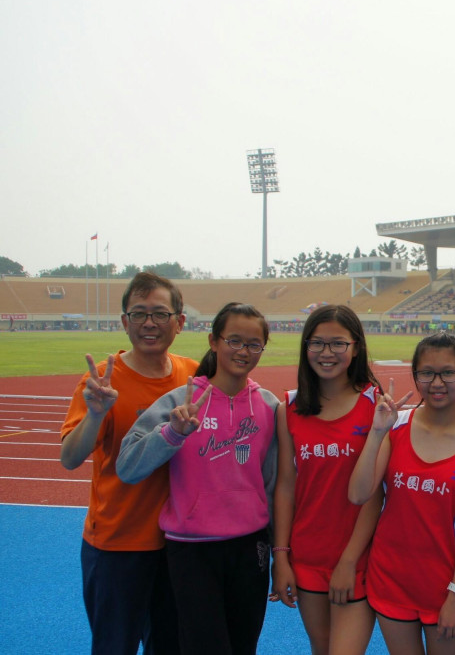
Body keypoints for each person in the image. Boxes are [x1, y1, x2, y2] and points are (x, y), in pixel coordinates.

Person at [117, 302, 280, 654]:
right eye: (234, 340)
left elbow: (273, 484)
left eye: (254, 344)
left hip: (250, 548)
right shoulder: (181, 401)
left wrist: (279, 550)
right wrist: (172, 433)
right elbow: (127, 467)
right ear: (213, 341)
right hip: (191, 549)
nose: (243, 351)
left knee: (243, 646)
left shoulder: (269, 407)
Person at [59, 271, 195, 655]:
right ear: (124, 322)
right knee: (114, 647)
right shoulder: (103, 382)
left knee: (171, 646)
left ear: (179, 322)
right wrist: (96, 414)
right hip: (118, 544)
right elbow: (69, 458)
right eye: (138, 314)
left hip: (179, 543)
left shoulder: (193, 375)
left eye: (160, 313)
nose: (149, 323)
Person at [349, 331, 455, 654]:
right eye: (426, 373)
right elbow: (359, 495)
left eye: (448, 373)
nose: (437, 382)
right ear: (415, 376)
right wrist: (376, 434)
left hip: (444, 588)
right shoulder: (395, 426)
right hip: (391, 579)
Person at [271, 305, 384, 655]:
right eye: (317, 343)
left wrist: (349, 561)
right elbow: (286, 487)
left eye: (337, 343)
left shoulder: (376, 406)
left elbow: (375, 494)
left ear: (355, 347)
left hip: (357, 558)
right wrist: (282, 557)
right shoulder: (288, 407)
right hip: (307, 555)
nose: (326, 353)